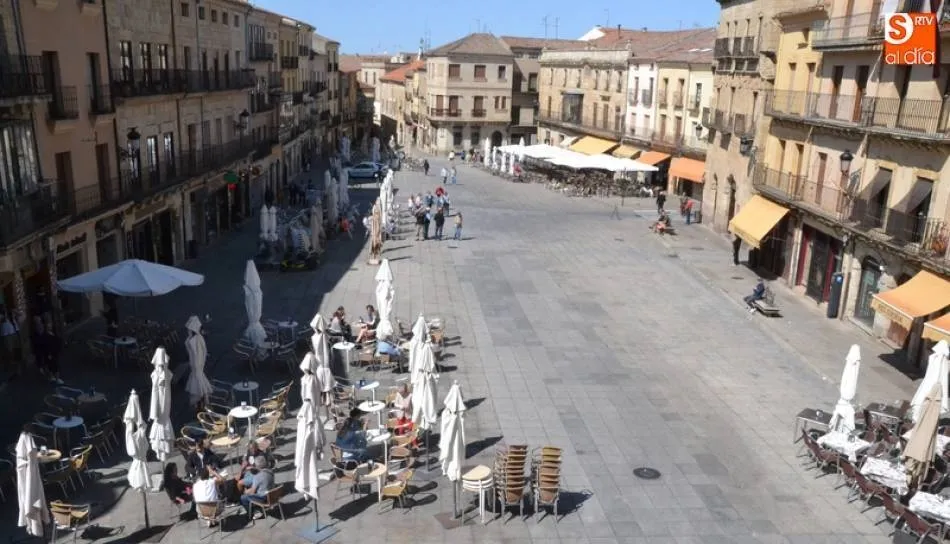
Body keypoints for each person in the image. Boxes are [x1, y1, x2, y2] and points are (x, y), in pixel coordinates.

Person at [43, 315, 63, 384]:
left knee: (53, 365)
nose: (50, 326)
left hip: (55, 351)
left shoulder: (53, 332)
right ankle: (56, 379)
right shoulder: (46, 335)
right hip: (51, 353)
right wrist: (49, 354)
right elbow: (47, 345)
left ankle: (53, 377)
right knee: (54, 365)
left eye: (50, 324)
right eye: (48, 325)